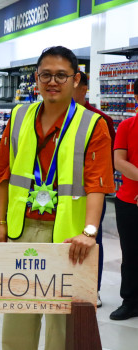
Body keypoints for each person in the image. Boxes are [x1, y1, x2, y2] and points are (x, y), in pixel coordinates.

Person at [0, 46, 114, 350]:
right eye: (46, 74)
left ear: (75, 80)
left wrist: (89, 232)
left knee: (62, 330)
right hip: (22, 231)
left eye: (62, 75)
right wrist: (0, 221)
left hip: (69, 239)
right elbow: (3, 173)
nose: (53, 81)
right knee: (18, 318)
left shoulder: (93, 125)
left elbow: (97, 184)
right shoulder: (20, 116)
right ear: (36, 78)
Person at [72, 72, 116, 308]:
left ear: (84, 89)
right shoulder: (55, 117)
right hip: (62, 196)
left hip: (91, 195)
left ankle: (93, 288)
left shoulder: (100, 120)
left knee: (92, 241)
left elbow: (105, 162)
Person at [110, 77, 138, 321]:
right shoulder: (127, 126)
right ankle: (130, 301)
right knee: (130, 253)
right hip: (129, 201)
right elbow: (119, 161)